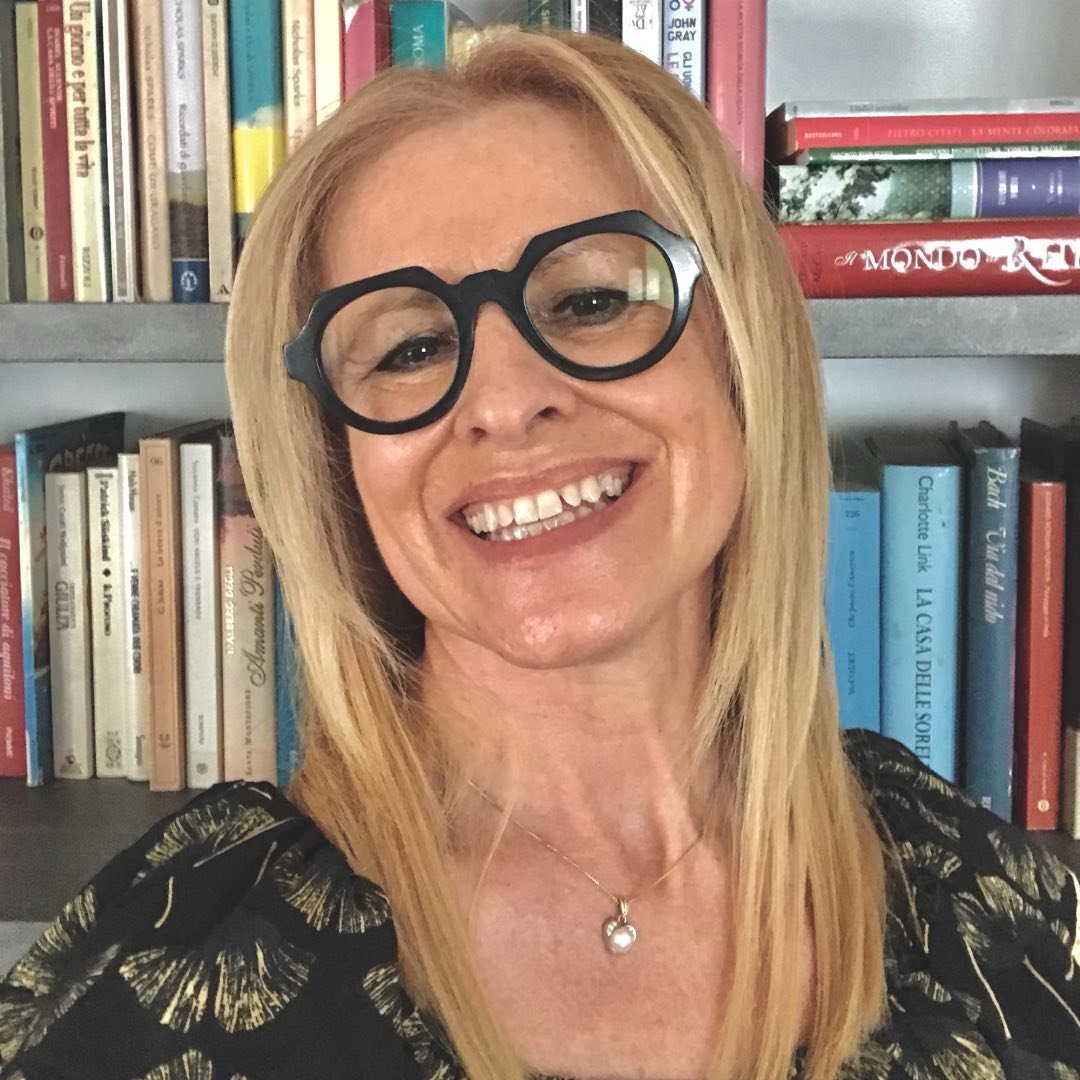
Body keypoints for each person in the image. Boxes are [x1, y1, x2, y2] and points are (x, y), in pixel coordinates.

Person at [1, 27, 1078, 1080]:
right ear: (336, 463)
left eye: (592, 300)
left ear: (741, 355)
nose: (507, 402)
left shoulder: (968, 891)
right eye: (411, 348)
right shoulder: (165, 973)